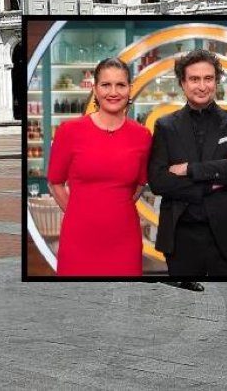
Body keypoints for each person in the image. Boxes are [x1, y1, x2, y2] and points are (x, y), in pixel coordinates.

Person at [148, 49, 227, 278]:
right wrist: (214, 181)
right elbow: (159, 181)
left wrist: (189, 169)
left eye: (208, 78)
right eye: (194, 79)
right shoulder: (165, 126)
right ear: (182, 83)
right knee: (185, 301)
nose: (202, 86)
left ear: (216, 81)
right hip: (181, 236)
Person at [47, 58, 151, 276]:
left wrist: (114, 208)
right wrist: (79, 212)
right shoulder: (69, 131)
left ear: (130, 89)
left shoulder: (142, 135)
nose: (113, 92)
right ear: (95, 89)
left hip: (124, 240)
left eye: (120, 85)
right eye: (106, 85)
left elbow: (140, 184)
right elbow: (55, 183)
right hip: (79, 238)